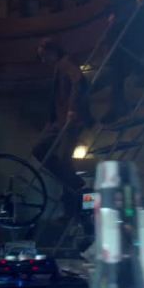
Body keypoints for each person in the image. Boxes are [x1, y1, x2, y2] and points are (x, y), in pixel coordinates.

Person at [33, 38, 91, 216]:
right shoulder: (60, 66)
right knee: (41, 151)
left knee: (64, 161)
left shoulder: (66, 63)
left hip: (69, 121)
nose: (43, 60)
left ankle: (73, 199)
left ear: (53, 51)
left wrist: (72, 109)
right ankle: (73, 184)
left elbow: (79, 82)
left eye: (44, 55)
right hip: (59, 121)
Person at [96, 0, 144, 123]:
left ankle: (139, 71)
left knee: (117, 56)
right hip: (124, 15)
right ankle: (138, 71)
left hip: (132, 16)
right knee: (116, 58)